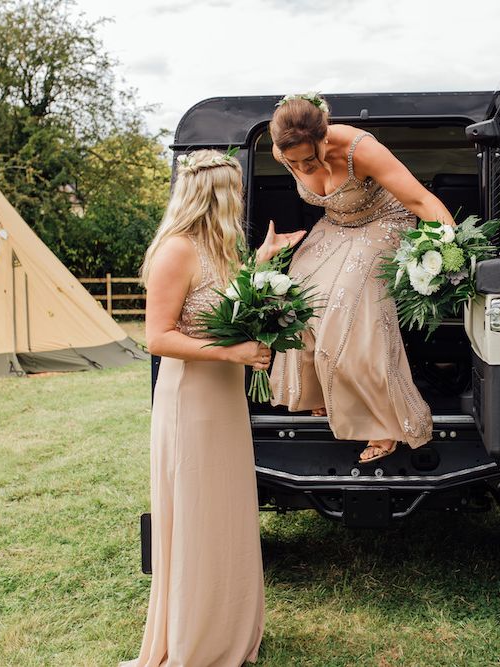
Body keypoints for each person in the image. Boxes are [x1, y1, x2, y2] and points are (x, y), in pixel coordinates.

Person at [122, 149, 304, 667]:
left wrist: (263, 261)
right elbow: (157, 338)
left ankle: (228, 628)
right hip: (191, 401)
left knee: (225, 508)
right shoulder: (176, 250)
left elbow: (226, 302)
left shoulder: (222, 249)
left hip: (223, 397)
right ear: (216, 194)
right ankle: (195, 640)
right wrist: (235, 353)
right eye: (235, 190)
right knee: (197, 512)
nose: (241, 199)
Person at [268, 93, 457, 464]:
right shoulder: (282, 151)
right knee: (295, 293)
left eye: (311, 158)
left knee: (348, 304)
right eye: (295, 163)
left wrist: (453, 244)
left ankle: (382, 422)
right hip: (338, 223)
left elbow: (420, 201)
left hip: (385, 221)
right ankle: (323, 393)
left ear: (325, 137)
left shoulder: (360, 149)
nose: (304, 169)